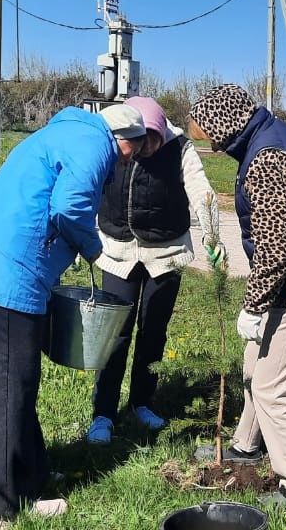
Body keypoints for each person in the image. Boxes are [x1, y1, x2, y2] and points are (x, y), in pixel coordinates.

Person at [0, 104, 149, 528]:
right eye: (133, 153)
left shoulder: (66, 133)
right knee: (4, 392)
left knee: (13, 383)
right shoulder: (96, 145)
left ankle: (31, 480)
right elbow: (69, 206)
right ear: (124, 139)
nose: (128, 161)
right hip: (5, 273)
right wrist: (93, 249)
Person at [187, 84, 286, 513]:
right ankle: (245, 446)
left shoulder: (268, 158)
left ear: (227, 124)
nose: (215, 146)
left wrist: (254, 306)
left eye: (212, 136)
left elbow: (276, 248)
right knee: (253, 368)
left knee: (275, 390)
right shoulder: (267, 136)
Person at [86, 96, 226, 444]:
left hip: (165, 252)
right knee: (115, 333)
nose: (141, 150)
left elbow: (200, 190)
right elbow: (88, 184)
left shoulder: (179, 148)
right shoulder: (113, 139)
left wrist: (212, 234)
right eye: (137, 142)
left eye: (150, 142)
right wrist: (79, 234)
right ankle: (103, 413)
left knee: (153, 330)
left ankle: (141, 402)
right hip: (118, 251)